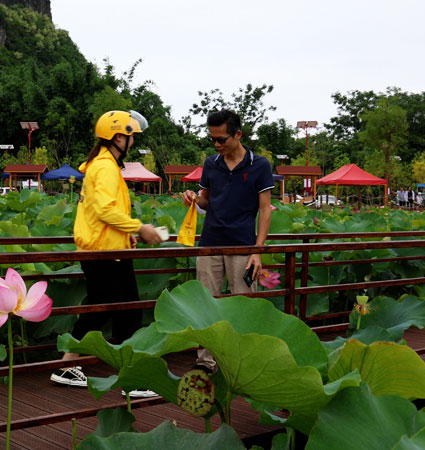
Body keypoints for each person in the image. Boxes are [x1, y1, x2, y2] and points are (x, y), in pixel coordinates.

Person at [50, 110, 163, 394]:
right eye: (131, 136)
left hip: (103, 249)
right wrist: (139, 228)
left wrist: (126, 234)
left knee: (99, 311)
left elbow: (102, 213)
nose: (133, 141)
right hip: (105, 254)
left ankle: (66, 366)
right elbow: (104, 210)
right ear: (117, 137)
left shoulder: (100, 165)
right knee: (129, 313)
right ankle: (132, 380)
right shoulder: (106, 168)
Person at [181, 110, 274, 371]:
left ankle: (239, 364)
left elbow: (265, 209)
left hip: (243, 246)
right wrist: (193, 198)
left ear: (238, 134)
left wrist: (258, 251)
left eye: (222, 139)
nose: (217, 145)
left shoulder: (260, 165)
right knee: (206, 304)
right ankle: (206, 362)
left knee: (242, 306)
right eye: (213, 140)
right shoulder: (211, 164)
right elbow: (206, 201)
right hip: (210, 244)